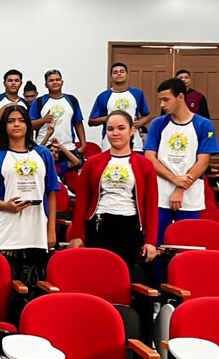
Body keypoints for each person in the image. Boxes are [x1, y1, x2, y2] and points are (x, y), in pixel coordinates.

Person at [68, 111, 159, 272]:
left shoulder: (145, 165)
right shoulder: (93, 163)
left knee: (123, 275)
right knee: (98, 274)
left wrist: (151, 240)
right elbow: (82, 201)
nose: (115, 133)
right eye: (110, 129)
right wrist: (77, 235)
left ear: (132, 131)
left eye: (121, 128)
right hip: (99, 224)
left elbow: (151, 204)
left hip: (130, 226)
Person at [0, 105, 59, 285]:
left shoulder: (42, 154)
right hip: (5, 231)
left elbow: (51, 193)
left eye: (21, 120)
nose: (16, 125)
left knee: (34, 287)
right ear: (3, 126)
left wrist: (51, 228)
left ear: (28, 125)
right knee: (6, 288)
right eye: (10, 121)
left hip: (37, 229)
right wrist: (6, 206)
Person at [144, 78, 219, 244]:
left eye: (166, 100)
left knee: (186, 244)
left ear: (180, 97)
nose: (162, 105)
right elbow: (150, 157)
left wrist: (180, 188)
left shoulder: (204, 125)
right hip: (161, 195)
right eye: (160, 101)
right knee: (156, 246)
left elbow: (203, 162)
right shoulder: (158, 124)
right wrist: (174, 179)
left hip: (190, 196)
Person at [32, 69, 86, 174]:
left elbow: (78, 123)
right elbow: (29, 125)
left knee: (71, 181)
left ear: (62, 82)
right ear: (46, 84)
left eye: (57, 79)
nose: (55, 82)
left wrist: (83, 145)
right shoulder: (39, 102)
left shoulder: (72, 100)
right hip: (45, 147)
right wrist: (43, 120)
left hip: (68, 147)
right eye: (51, 80)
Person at [90, 62, 151, 150]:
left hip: (134, 140)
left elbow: (148, 115)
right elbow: (91, 121)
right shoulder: (103, 96)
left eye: (122, 71)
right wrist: (110, 118)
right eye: (115, 72)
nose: (119, 74)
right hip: (109, 141)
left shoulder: (137, 94)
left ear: (127, 75)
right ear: (111, 77)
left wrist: (141, 123)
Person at [0, 69, 28, 147]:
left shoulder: (24, 103)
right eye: (10, 80)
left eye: (16, 80)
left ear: (21, 83)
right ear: (4, 83)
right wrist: (6, 108)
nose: (13, 83)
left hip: (19, 148)